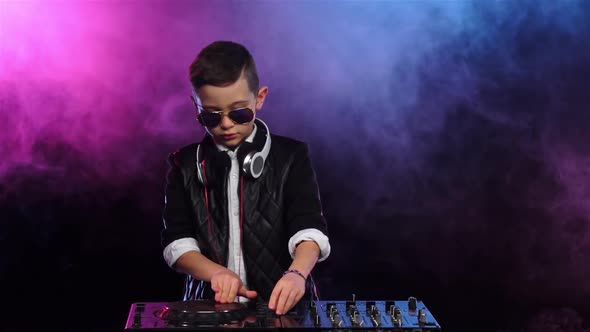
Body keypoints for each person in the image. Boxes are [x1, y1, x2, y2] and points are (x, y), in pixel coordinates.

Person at [160, 40, 331, 316]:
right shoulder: (183, 164)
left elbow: (309, 229)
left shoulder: (292, 156)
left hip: (284, 311)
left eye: (239, 112)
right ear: (195, 105)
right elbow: (176, 244)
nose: (226, 124)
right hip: (208, 310)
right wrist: (216, 273)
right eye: (211, 115)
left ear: (260, 98)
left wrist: (297, 274)